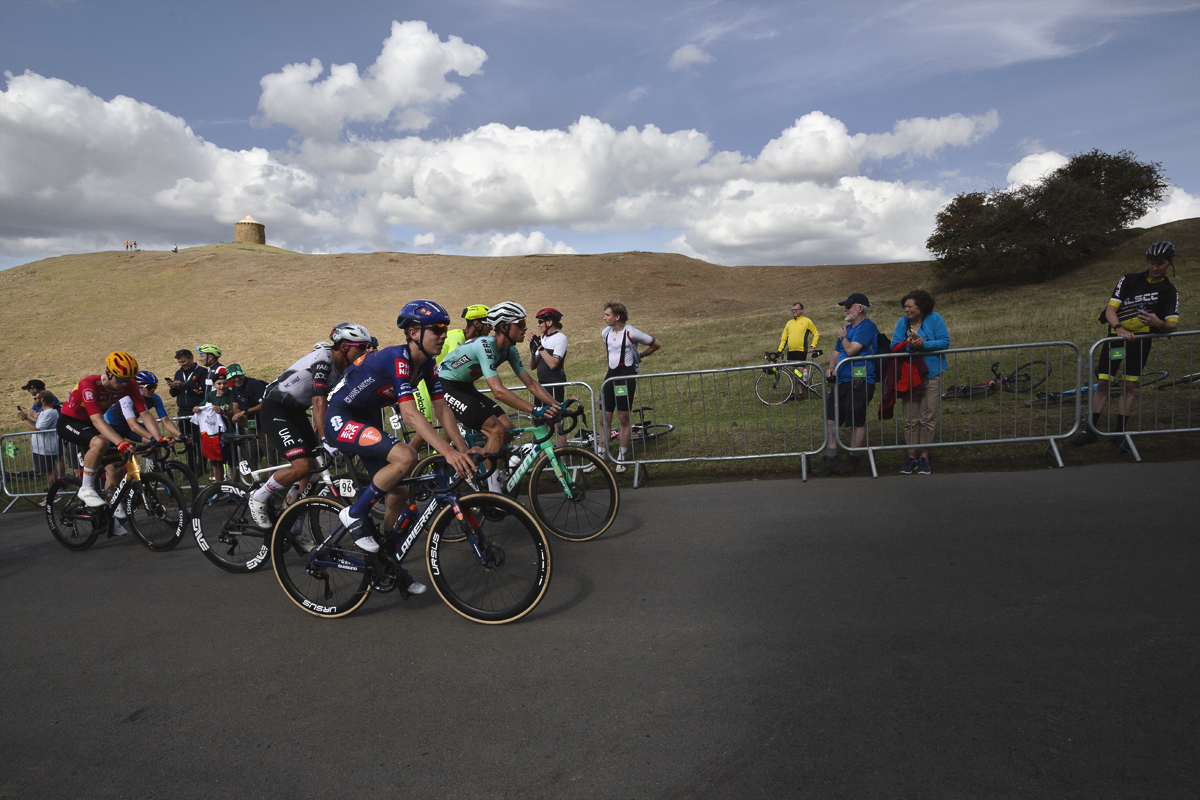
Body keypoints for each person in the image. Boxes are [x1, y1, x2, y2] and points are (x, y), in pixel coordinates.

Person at [324, 302, 476, 586]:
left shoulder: (427, 365)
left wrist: (462, 451)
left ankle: (385, 561)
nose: (443, 335)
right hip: (341, 417)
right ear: (414, 332)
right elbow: (409, 413)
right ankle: (354, 513)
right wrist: (447, 452)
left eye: (445, 328)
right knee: (406, 455)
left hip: (365, 420)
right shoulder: (399, 358)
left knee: (398, 495)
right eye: (437, 329)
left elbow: (442, 409)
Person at [247, 324, 373, 530]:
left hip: (295, 413)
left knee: (313, 472)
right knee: (302, 465)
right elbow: (318, 401)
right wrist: (326, 437)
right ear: (343, 347)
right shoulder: (324, 358)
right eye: (361, 346)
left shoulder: (345, 368)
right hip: (276, 409)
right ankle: (258, 496)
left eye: (367, 346)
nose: (365, 351)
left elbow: (340, 403)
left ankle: (293, 523)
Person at [439, 300, 562, 491]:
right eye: (520, 324)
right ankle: (492, 493)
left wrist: (557, 405)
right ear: (504, 326)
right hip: (446, 386)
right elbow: (498, 391)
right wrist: (535, 410)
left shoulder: (510, 350)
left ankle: (484, 467)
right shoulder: (485, 346)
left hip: (465, 386)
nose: (525, 328)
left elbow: (530, 384)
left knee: (507, 427)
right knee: (496, 430)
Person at [1072, 241, 1181, 446]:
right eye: (1151, 263)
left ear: (1170, 263)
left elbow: (1173, 325)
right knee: (1103, 383)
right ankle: (1091, 431)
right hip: (1116, 340)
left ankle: (1119, 433)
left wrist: (1159, 323)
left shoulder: (1169, 290)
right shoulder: (1129, 280)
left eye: (1159, 264)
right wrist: (1119, 329)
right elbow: (1110, 310)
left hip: (1140, 343)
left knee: (1129, 386)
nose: (1154, 267)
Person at [55, 352, 162, 522]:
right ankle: (86, 488)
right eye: (120, 379)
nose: (124, 384)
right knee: (101, 441)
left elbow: (145, 413)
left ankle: (108, 509)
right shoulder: (89, 384)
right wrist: (120, 441)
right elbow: (97, 419)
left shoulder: (130, 385)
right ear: (108, 373)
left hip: (91, 425)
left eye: (128, 380)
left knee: (117, 467)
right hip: (70, 422)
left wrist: (158, 438)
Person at [811, 293, 880, 477]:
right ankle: (831, 459)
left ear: (860, 308)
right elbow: (836, 353)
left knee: (856, 418)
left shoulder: (868, 327)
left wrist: (843, 337)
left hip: (860, 380)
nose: (845, 309)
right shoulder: (846, 329)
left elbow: (850, 350)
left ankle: (853, 459)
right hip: (841, 381)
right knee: (830, 416)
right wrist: (832, 367)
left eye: (849, 306)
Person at [890, 290, 950, 475]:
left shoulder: (935, 319)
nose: (906, 310)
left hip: (932, 374)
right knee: (910, 418)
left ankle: (924, 457)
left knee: (928, 416)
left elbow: (944, 342)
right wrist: (910, 345)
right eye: (905, 307)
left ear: (921, 306)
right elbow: (894, 345)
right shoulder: (903, 322)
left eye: (910, 306)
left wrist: (924, 344)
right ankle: (911, 457)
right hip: (910, 376)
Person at [599, 301, 661, 473]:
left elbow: (656, 344)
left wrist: (639, 356)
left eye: (607, 315)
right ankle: (600, 457)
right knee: (604, 418)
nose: (604, 318)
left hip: (625, 379)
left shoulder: (631, 332)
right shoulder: (605, 332)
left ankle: (621, 456)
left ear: (617, 317)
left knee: (623, 418)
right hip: (609, 378)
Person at [103, 371, 185, 444]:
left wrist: (180, 435)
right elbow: (133, 425)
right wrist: (153, 438)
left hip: (128, 427)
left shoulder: (155, 398)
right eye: (149, 387)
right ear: (139, 387)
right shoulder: (127, 398)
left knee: (154, 443)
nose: (153, 390)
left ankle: (153, 462)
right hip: (112, 426)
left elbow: (166, 421)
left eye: (154, 386)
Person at [530, 307, 569, 446]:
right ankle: (542, 461)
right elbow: (532, 366)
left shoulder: (560, 338)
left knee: (558, 422)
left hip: (554, 384)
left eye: (541, 321)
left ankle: (563, 460)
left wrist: (540, 348)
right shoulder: (543, 339)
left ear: (550, 322)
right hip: (541, 385)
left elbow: (553, 364)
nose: (538, 324)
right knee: (541, 423)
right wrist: (532, 350)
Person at [167, 348, 208, 472]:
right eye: (179, 362)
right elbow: (174, 394)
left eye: (183, 361)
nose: (181, 364)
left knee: (200, 441)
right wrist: (173, 387)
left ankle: (202, 468)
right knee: (187, 441)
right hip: (183, 412)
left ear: (191, 358)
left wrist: (185, 385)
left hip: (198, 411)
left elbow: (202, 390)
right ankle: (191, 469)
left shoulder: (202, 372)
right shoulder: (178, 373)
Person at [18, 391, 63, 492]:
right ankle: (55, 491)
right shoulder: (44, 412)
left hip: (46, 448)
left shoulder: (49, 413)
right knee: (46, 472)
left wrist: (24, 418)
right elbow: (37, 425)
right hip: (41, 448)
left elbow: (37, 429)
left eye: (36, 399)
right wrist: (26, 418)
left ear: (42, 399)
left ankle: (54, 494)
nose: (35, 401)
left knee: (49, 472)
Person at [777, 302, 820, 398]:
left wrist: (812, 346)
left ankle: (801, 392)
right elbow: (784, 338)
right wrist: (779, 350)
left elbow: (816, 333)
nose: (794, 311)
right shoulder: (789, 323)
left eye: (796, 309)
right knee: (791, 372)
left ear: (801, 310)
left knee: (799, 372)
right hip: (791, 351)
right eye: (792, 310)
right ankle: (792, 393)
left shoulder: (806, 321)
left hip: (801, 351)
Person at [202, 371, 235, 483]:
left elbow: (234, 411)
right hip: (214, 435)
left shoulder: (231, 394)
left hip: (231, 432)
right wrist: (196, 408)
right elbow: (202, 407)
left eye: (224, 383)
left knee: (233, 462)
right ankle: (218, 487)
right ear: (214, 385)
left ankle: (235, 487)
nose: (222, 386)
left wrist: (223, 412)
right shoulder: (210, 395)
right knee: (215, 462)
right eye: (219, 383)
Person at [226, 364, 266, 432]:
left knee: (265, 441)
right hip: (252, 424)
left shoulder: (253, 384)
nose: (237, 379)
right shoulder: (234, 387)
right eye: (233, 377)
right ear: (229, 379)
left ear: (243, 374)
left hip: (266, 422)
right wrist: (239, 416)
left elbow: (264, 404)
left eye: (239, 376)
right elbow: (235, 406)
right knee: (252, 441)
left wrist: (244, 412)